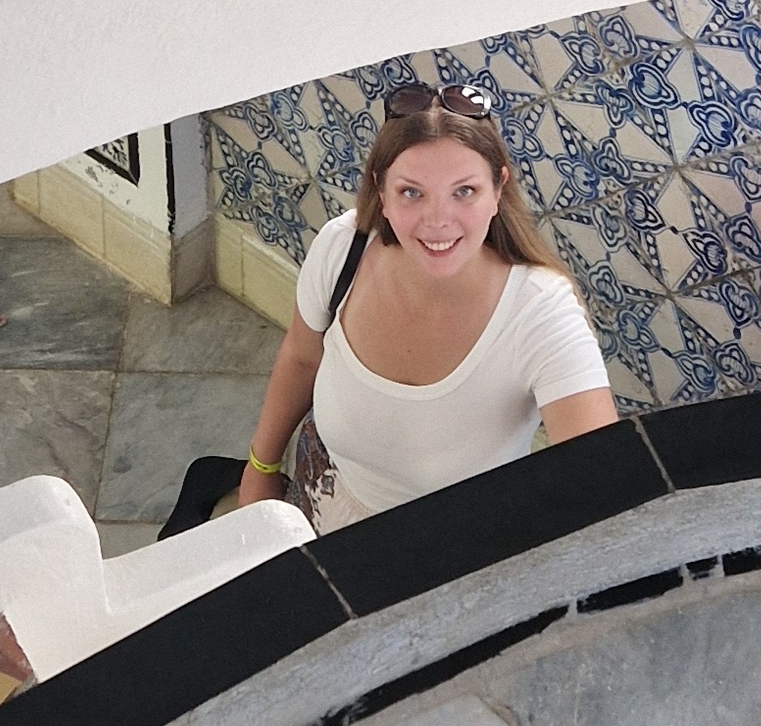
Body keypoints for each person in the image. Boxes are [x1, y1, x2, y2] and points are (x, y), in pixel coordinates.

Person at [228, 80, 615, 529]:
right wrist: (261, 468)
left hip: (455, 545)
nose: (438, 221)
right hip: (321, 494)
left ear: (498, 190)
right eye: (412, 192)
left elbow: (600, 488)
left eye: (464, 191)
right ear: (382, 191)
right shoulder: (343, 249)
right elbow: (301, 356)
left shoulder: (541, 313)